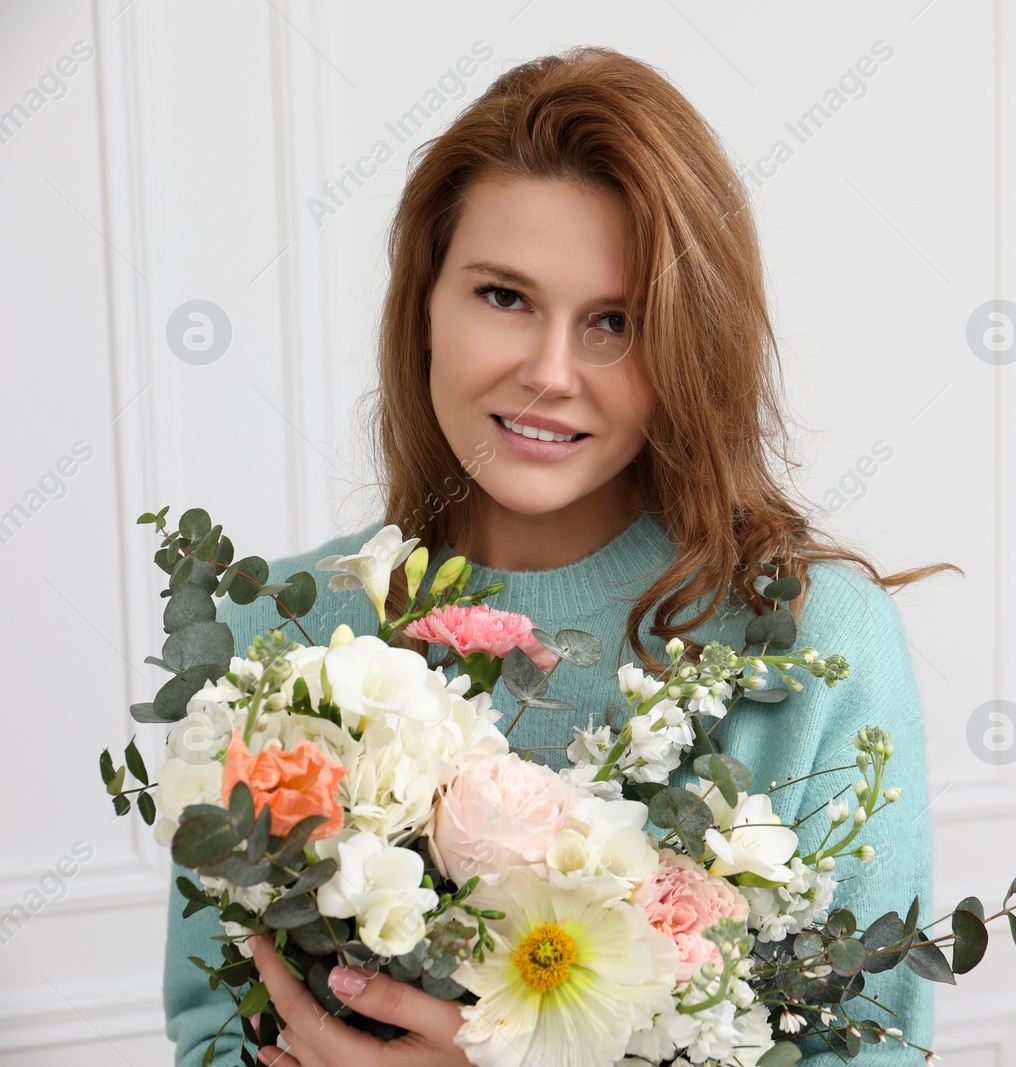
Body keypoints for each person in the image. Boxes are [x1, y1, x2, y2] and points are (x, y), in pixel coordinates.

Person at [163, 45, 959, 1067]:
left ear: (687, 348)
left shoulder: (813, 638)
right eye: (503, 296)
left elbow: (873, 1048)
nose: (548, 372)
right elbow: (212, 1028)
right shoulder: (279, 629)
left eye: (615, 323)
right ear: (423, 311)